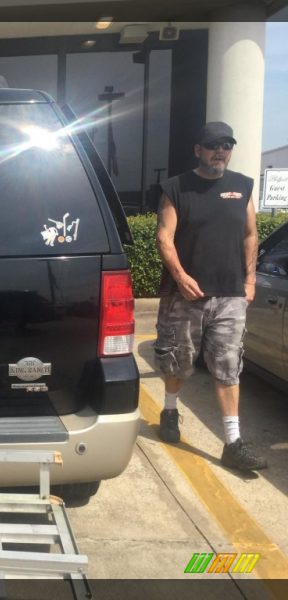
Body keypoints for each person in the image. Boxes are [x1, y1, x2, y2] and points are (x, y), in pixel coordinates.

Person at [154, 121, 267, 471]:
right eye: (213, 145)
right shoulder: (176, 188)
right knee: (179, 362)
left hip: (231, 294)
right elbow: (164, 236)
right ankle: (169, 409)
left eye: (226, 145)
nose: (220, 151)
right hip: (185, 295)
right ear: (198, 150)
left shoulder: (242, 186)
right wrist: (180, 276)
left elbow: (250, 234)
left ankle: (233, 442)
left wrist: (250, 280)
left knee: (228, 365)